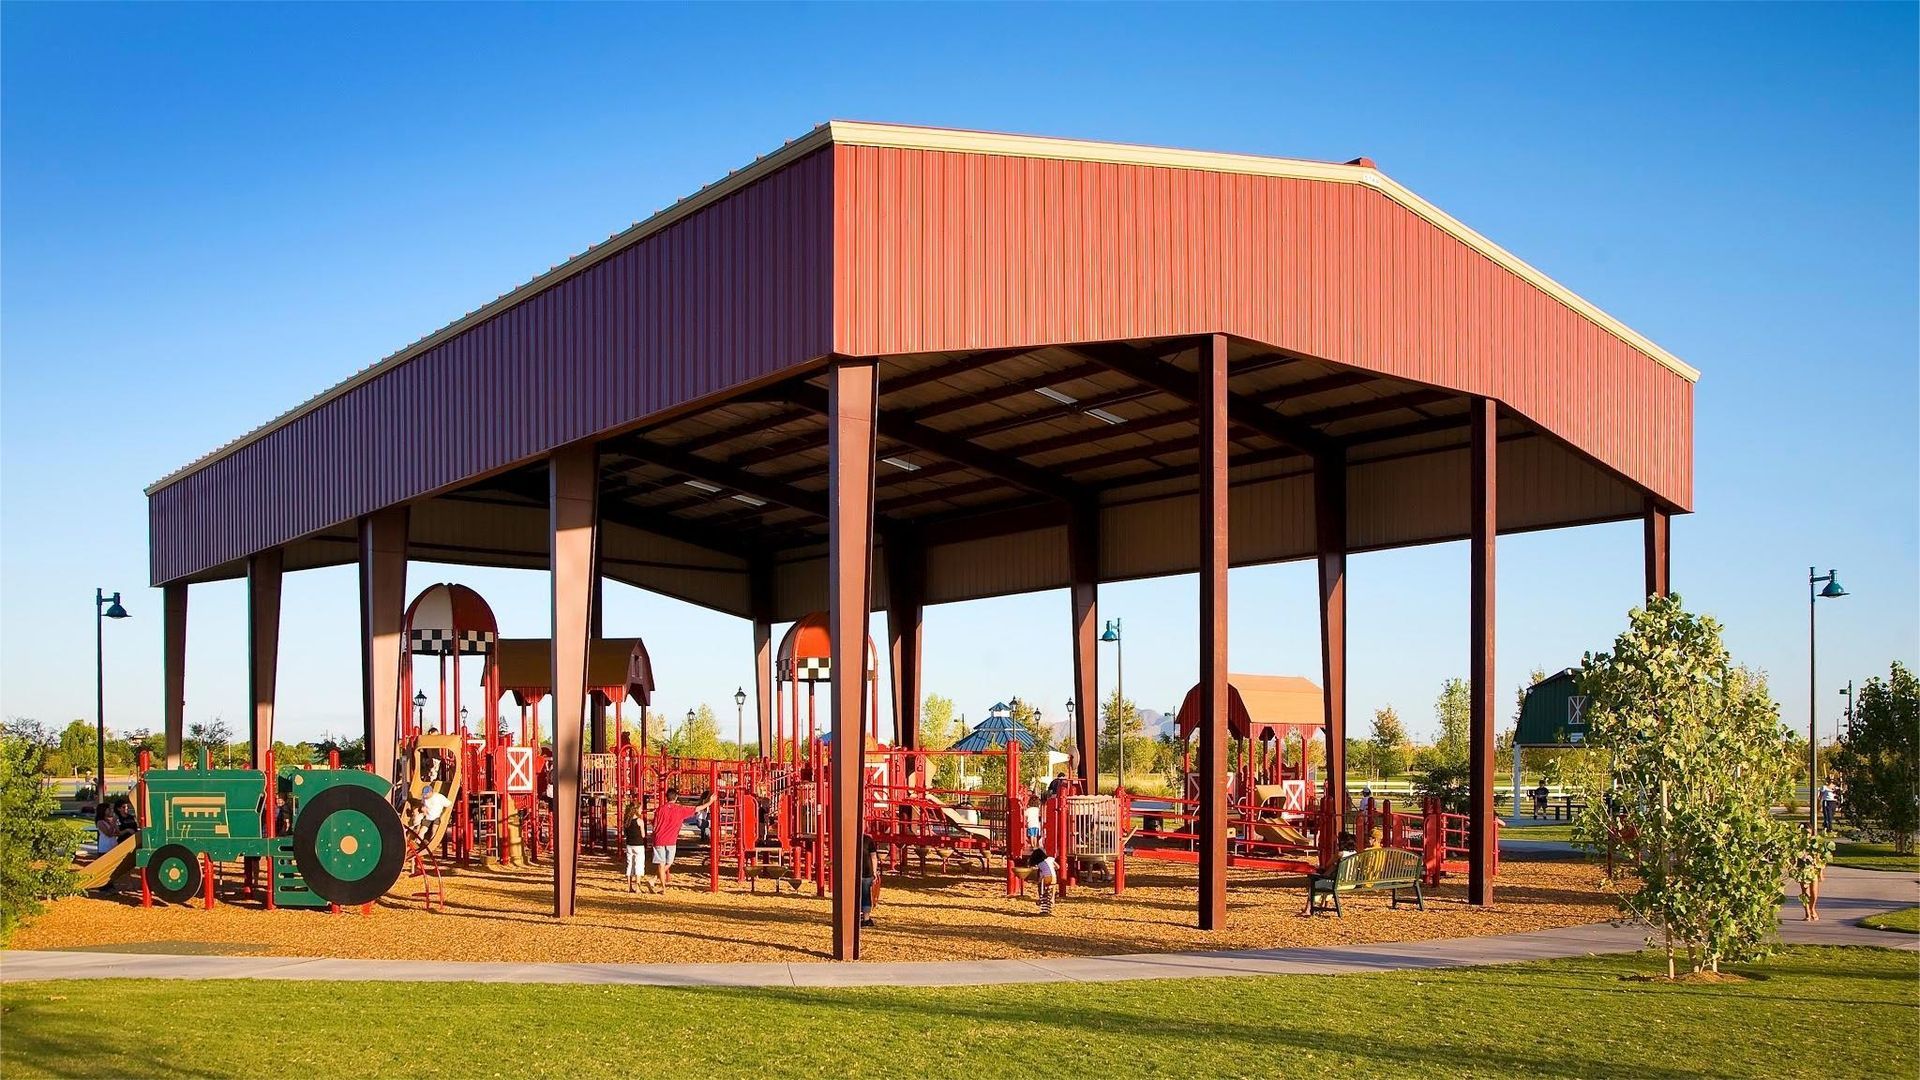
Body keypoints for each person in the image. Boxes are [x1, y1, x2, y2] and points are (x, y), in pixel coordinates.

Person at [650, 790, 715, 890]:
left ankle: (661, 886)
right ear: (676, 798)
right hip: (671, 839)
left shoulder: (660, 809)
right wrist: (709, 802)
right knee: (669, 863)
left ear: (667, 797)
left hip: (659, 839)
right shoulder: (679, 809)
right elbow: (697, 809)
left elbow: (654, 826)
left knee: (661, 863)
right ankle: (655, 880)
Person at [621, 803, 649, 894]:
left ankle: (629, 887)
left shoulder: (626, 821)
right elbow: (643, 835)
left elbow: (624, 834)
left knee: (630, 865)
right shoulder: (640, 821)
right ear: (636, 810)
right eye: (640, 809)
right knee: (639, 866)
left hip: (629, 845)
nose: (641, 810)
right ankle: (638, 887)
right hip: (638, 845)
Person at [1025, 846, 1059, 915]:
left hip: (1047, 878)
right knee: (1052, 887)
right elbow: (1058, 867)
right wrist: (1053, 868)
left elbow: (1042, 875)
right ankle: (1052, 898)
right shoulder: (1050, 859)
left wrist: (1039, 881)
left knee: (1042, 890)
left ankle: (1042, 900)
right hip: (1054, 877)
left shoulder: (1040, 864)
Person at [858, 832, 880, 928]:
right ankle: (866, 918)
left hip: (853, 872)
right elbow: (873, 857)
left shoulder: (849, 838)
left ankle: (855, 916)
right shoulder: (868, 839)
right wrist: (874, 872)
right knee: (866, 894)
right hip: (867, 871)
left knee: (854, 894)